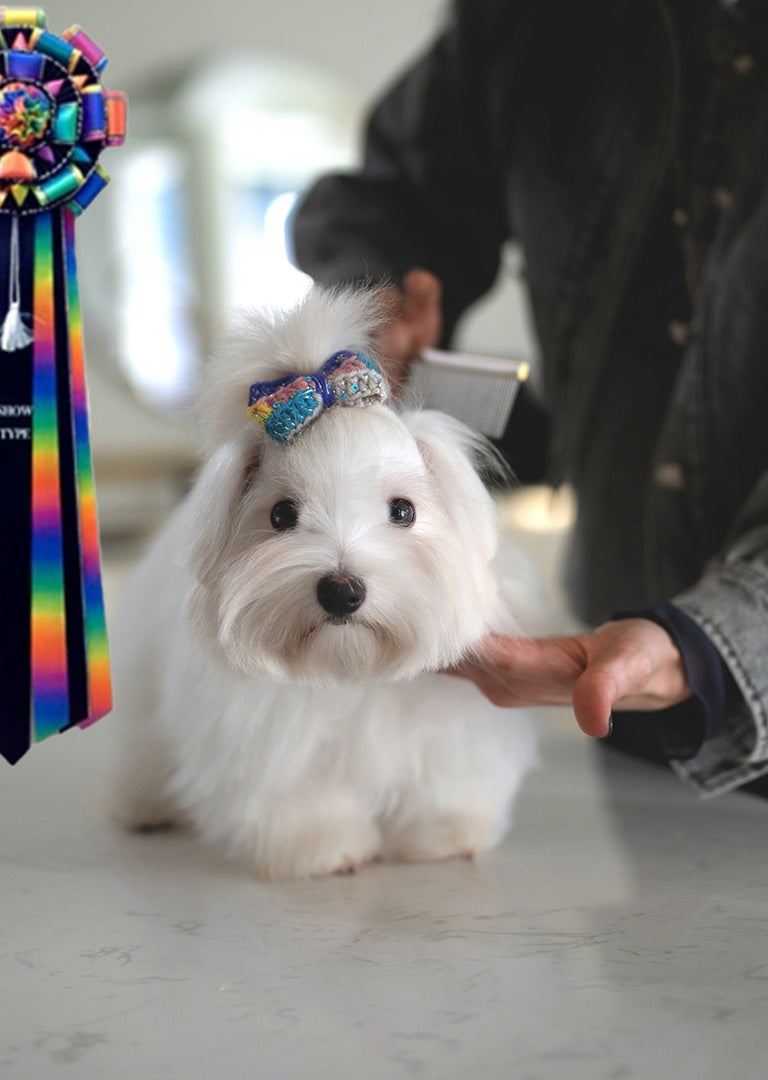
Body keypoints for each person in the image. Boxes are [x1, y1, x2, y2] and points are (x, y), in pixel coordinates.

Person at [290, 0, 768, 797]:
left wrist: (712, 643)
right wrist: (376, 307)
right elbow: (382, 203)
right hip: (622, 706)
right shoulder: (528, 23)